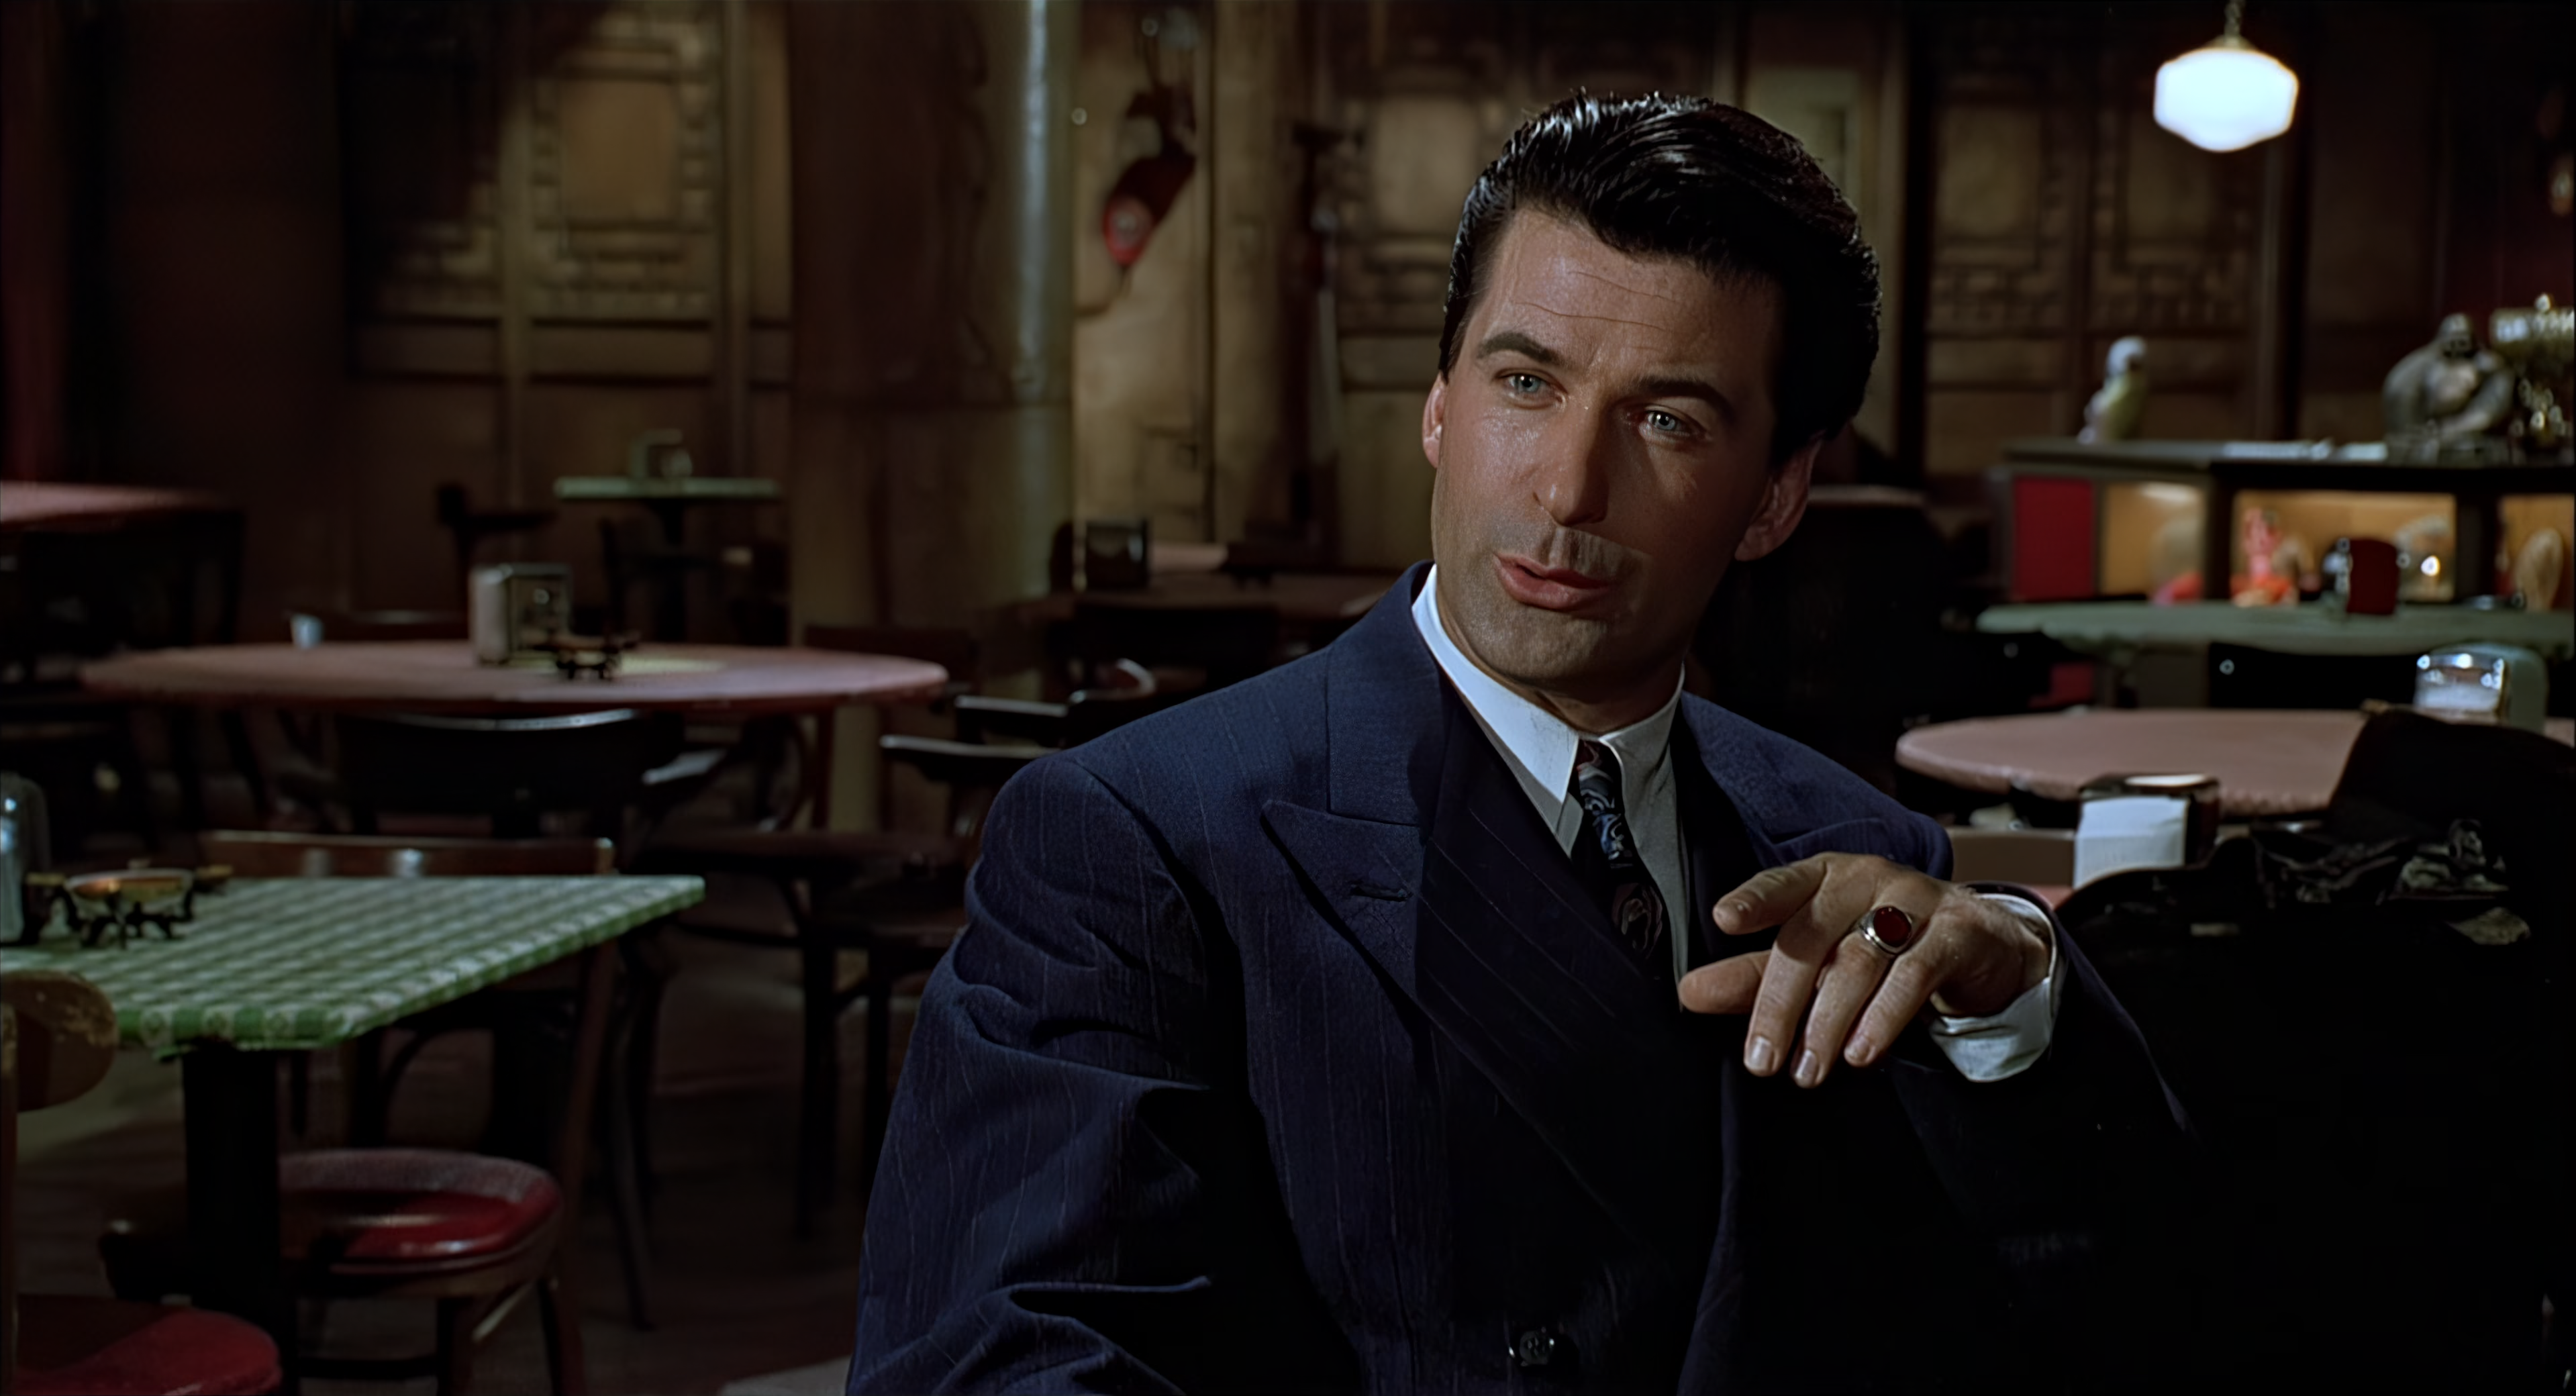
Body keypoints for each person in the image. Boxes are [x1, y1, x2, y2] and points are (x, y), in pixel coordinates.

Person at [848, 95, 2192, 1394]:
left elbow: (2090, 1298)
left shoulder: (1854, 845)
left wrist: (2015, 1000)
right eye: (1525, 382)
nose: (1565, 488)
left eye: (1667, 421)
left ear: (1774, 496)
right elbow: (1003, 1353)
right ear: (1439, 407)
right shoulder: (1137, 837)